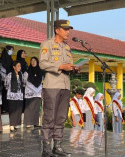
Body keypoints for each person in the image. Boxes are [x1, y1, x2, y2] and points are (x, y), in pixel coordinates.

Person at [39, 19, 76, 157]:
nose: (68, 32)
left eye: (68, 29)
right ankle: (46, 148)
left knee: (61, 117)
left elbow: (69, 64)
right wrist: (60, 66)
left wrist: (73, 68)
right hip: (52, 86)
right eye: (65, 29)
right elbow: (42, 64)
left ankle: (58, 146)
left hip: (65, 85)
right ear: (57, 30)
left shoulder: (67, 47)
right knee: (49, 117)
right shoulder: (47, 44)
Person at [23, 57, 43, 128]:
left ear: (37, 62)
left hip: (37, 93)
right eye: (31, 61)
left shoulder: (40, 72)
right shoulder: (27, 72)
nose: (33, 62)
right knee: (29, 108)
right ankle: (28, 123)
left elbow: (41, 82)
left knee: (36, 108)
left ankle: (35, 123)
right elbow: (24, 82)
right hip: (30, 93)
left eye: (34, 61)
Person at [5, 60, 24, 131]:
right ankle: (12, 125)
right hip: (12, 95)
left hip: (19, 95)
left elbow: (23, 83)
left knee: (18, 110)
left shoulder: (21, 74)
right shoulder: (10, 75)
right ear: (14, 67)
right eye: (18, 66)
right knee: (13, 110)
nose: (19, 67)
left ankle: (16, 124)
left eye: (20, 66)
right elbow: (6, 84)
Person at [0, 45, 14, 113]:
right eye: (10, 50)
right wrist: (5, 78)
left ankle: (7, 108)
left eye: (12, 50)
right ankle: (3, 108)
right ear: (6, 50)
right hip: (2, 80)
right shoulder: (1, 60)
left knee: (8, 94)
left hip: (9, 81)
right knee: (3, 94)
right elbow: (0, 70)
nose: (11, 52)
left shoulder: (11, 59)